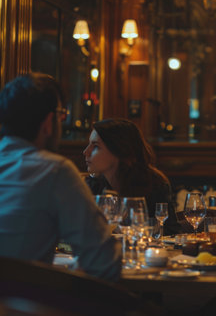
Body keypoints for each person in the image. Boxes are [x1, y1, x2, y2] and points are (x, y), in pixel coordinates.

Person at [0, 73, 121, 281]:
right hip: (22, 305)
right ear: (48, 122)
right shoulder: (54, 170)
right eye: (60, 114)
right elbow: (104, 261)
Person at [84, 118, 180, 235]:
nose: (86, 152)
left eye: (95, 146)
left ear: (119, 150)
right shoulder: (92, 185)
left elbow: (171, 232)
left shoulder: (154, 185)